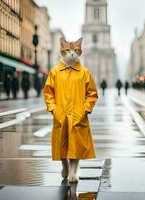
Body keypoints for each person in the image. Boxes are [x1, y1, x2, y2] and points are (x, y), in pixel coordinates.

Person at [44, 37, 98, 183]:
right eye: (69, 50)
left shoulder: (84, 73)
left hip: (78, 115)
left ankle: (73, 171)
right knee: (62, 144)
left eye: (76, 50)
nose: (72, 54)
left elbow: (92, 93)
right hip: (60, 114)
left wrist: (85, 110)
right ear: (62, 49)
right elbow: (48, 92)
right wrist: (53, 109)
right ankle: (64, 166)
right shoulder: (55, 72)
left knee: (76, 145)